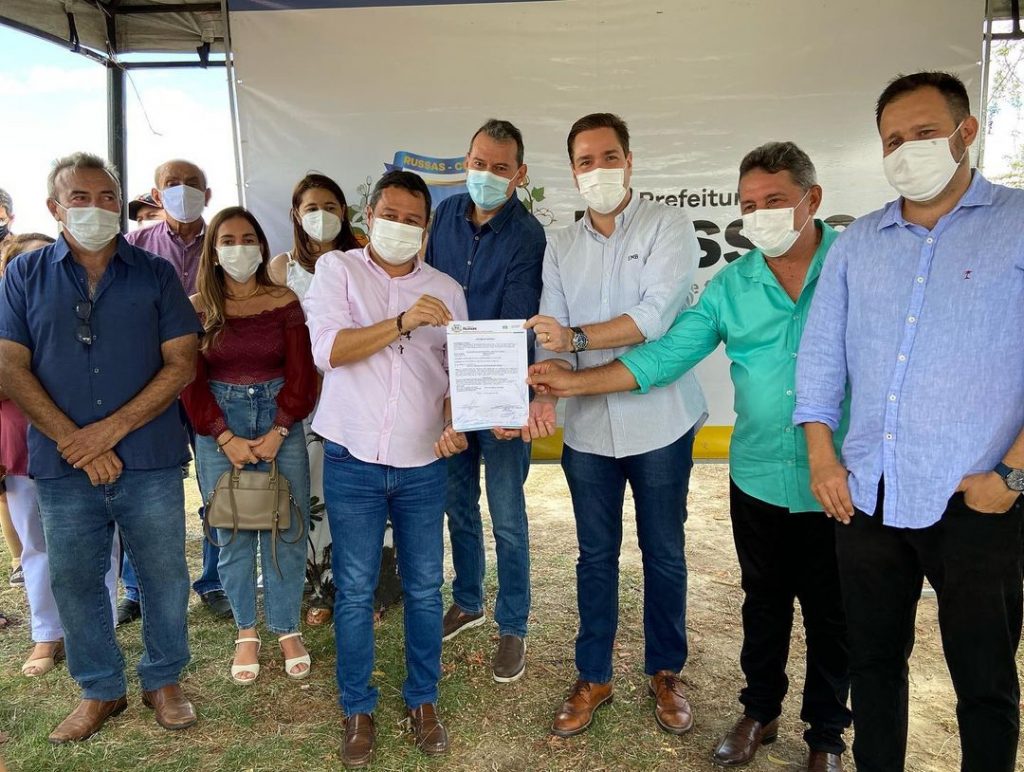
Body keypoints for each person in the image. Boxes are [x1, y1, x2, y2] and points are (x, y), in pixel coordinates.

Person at [529, 142, 851, 771]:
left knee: (831, 609)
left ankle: (826, 737)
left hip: (835, 471)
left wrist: (576, 352)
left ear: (812, 199)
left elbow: (652, 321)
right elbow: (666, 356)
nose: (759, 215)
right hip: (758, 469)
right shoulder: (733, 284)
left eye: (775, 201)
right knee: (763, 601)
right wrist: (569, 383)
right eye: (748, 205)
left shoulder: (854, 266)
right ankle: (759, 711)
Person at [794, 71, 1024, 772]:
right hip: (870, 495)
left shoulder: (1017, 223)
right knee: (873, 666)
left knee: (984, 680)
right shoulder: (859, 242)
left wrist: (1013, 474)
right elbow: (820, 359)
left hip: (977, 497)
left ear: (965, 132)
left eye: (924, 133)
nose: (906, 150)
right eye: (893, 139)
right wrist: (823, 457)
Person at [0, 152, 200, 742]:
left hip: (149, 458)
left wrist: (105, 434)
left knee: (164, 575)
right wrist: (75, 441)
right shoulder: (24, 275)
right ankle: (100, 688)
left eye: (108, 196)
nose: (97, 207)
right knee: (75, 579)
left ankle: (164, 679)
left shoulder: (155, 273)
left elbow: (182, 363)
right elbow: (9, 366)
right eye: (80, 198)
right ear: (54, 207)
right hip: (62, 465)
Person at [525, 113, 706, 740]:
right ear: (572, 171)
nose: (597, 170)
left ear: (629, 161)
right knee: (595, 556)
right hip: (587, 431)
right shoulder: (560, 244)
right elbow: (549, 325)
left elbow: (654, 318)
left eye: (608, 157)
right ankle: (593, 675)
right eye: (585, 160)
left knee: (664, 552)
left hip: (660, 424)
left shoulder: (667, 225)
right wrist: (545, 384)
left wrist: (574, 341)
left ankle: (665, 671)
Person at [303, 170, 468, 766]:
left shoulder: (447, 289)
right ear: (368, 217)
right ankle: (357, 707)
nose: (400, 227)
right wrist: (402, 321)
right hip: (352, 458)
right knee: (354, 589)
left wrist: (454, 420)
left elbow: (456, 376)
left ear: (427, 228)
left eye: (413, 220)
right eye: (390, 215)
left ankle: (423, 700)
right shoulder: (337, 270)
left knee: (425, 588)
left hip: (423, 461)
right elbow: (329, 351)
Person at [424, 119, 546, 682]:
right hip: (447, 391)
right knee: (458, 504)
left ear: (519, 174)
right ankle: (468, 600)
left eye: (500, 168)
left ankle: (512, 623)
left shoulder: (528, 234)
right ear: (465, 161)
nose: (487, 175)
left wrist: (501, 402)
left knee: (508, 516)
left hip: (500, 394)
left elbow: (519, 322)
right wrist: (449, 395)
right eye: (479, 163)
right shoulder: (445, 214)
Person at [182, 206, 316, 684]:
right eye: (228, 240)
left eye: (247, 239)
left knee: (287, 526)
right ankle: (245, 631)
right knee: (232, 531)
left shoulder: (284, 300)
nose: (239, 248)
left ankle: (286, 627)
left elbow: (302, 371)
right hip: (218, 424)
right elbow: (188, 379)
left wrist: (280, 429)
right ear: (214, 251)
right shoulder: (197, 306)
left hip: (281, 421)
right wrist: (223, 436)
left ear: (261, 245)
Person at [268, 172, 393, 626]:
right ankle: (321, 588)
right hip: (305, 398)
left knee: (366, 491)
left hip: (359, 390)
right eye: (311, 208)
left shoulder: (366, 260)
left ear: (346, 212)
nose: (321, 216)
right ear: (296, 215)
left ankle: (373, 588)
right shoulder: (281, 268)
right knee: (314, 493)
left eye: (330, 207)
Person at [1, 233, 122, 680]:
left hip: (91, 443)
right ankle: (47, 633)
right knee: (35, 543)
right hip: (20, 447)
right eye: (30, 263)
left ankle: (101, 627)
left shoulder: (87, 309)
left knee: (100, 542)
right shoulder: (8, 317)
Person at [120, 158, 230, 623]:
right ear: (156, 193)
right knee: (141, 487)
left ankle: (216, 580)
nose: (183, 191)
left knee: (218, 485)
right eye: (173, 183)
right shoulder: (132, 246)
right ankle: (136, 588)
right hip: (152, 381)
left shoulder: (227, 242)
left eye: (193, 184)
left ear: (208, 194)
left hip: (213, 379)